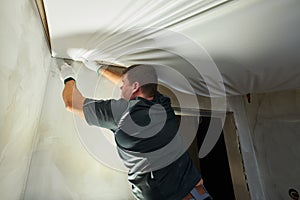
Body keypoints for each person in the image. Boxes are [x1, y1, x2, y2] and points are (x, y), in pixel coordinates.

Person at [60, 60, 212, 200]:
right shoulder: (163, 103)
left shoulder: (121, 112)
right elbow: (134, 83)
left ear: (135, 87)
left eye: (123, 85)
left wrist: (68, 77)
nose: (120, 88)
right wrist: (100, 69)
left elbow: (71, 103)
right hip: (197, 191)